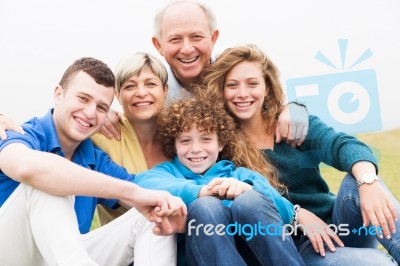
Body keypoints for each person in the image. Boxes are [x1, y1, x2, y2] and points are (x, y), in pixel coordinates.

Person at [202, 44, 400, 265]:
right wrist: (296, 215)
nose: (243, 93)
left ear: (267, 87)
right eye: (232, 85)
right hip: (297, 247)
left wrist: (368, 181)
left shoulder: (293, 125)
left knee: (360, 180)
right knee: (375, 262)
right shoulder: (219, 145)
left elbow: (341, 145)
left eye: (252, 83)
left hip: (339, 225)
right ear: (221, 90)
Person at [0, 57, 186, 266]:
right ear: (58, 94)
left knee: (150, 217)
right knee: (46, 180)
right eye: (83, 98)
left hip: (66, 258)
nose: (90, 113)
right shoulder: (18, 133)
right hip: (11, 254)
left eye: (101, 107)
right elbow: (26, 168)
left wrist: (194, 193)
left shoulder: (94, 159)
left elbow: (142, 189)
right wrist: (132, 193)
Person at [135, 96, 348, 265]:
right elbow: (141, 185)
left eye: (206, 139)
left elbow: (276, 204)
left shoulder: (237, 174)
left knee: (251, 200)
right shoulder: (167, 173)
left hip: (253, 255)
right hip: (205, 257)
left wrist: (247, 189)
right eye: (185, 141)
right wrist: (201, 192)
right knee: (206, 205)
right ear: (174, 145)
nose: (196, 149)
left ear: (220, 144)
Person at [100, 0, 309, 147]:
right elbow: (135, 114)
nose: (187, 48)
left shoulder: (235, 70)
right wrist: (105, 115)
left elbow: (269, 102)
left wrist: (295, 108)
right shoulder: (155, 88)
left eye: (196, 37)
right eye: (175, 40)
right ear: (158, 45)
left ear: (213, 38)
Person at [92, 52, 170, 225]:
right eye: (130, 86)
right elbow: (57, 129)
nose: (141, 93)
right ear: (117, 95)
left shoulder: (182, 133)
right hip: (124, 246)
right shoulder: (101, 135)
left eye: (150, 84)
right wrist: (97, 113)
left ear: (165, 90)